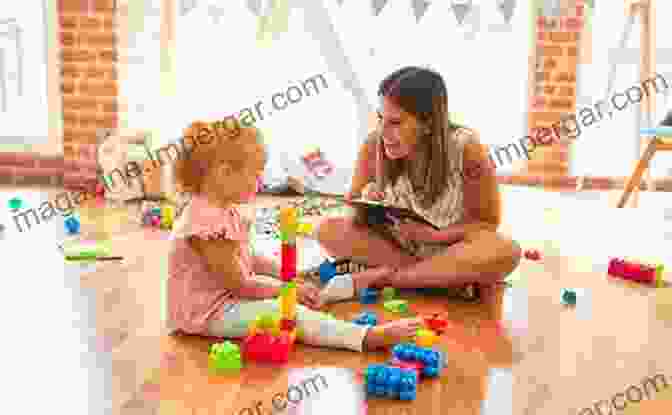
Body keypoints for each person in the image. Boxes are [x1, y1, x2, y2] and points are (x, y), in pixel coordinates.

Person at [167, 121, 423, 353]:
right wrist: (287, 290)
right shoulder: (205, 224)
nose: (259, 182)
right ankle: (365, 337)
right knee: (290, 312)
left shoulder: (223, 210)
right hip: (211, 313)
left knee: (305, 286)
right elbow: (240, 284)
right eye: (255, 173)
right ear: (223, 173)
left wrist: (290, 277)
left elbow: (248, 258)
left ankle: (348, 284)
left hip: (227, 301)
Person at [316, 66, 522, 304]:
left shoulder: (466, 147)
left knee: (506, 250)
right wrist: (366, 201)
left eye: (395, 122)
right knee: (327, 229)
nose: (383, 131)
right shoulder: (373, 145)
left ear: (428, 124)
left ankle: (387, 279)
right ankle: (443, 282)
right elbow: (351, 213)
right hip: (398, 250)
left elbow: (485, 224)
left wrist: (435, 236)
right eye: (381, 118)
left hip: (451, 251)